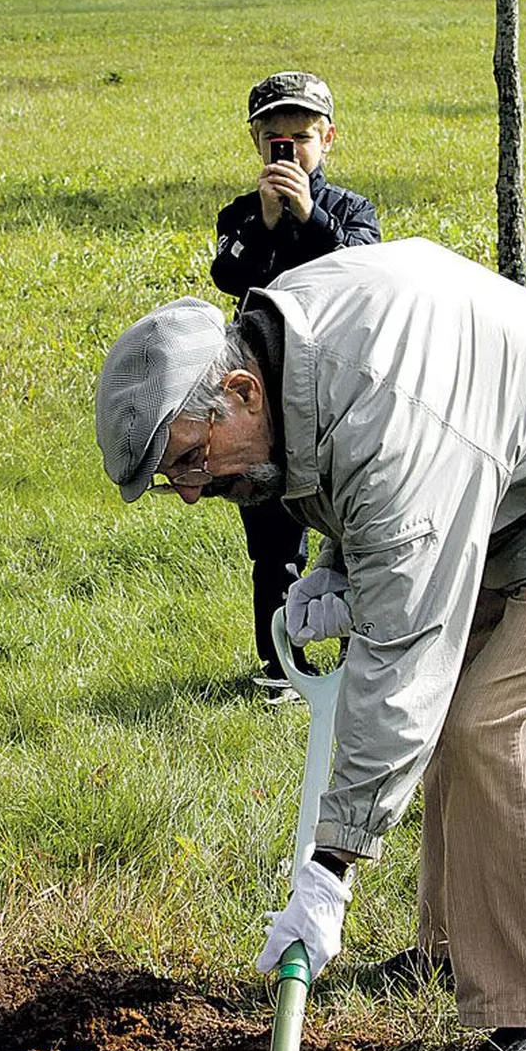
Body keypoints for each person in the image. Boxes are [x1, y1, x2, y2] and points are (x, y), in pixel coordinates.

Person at [95, 240, 526, 1051]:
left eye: (192, 461)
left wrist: (329, 870)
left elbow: (402, 659)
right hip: (505, 467)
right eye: (175, 480)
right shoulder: (282, 352)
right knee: (455, 710)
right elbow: (353, 476)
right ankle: (453, 951)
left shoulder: (387, 412)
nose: (194, 491)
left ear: (238, 390)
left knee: (493, 729)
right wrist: (338, 566)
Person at [210, 71, 380, 681]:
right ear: (256, 141)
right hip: (265, 407)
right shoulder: (240, 214)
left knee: (355, 531)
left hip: (337, 398)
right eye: (274, 139)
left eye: (301, 138)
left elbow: (360, 275)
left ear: (327, 138)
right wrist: (269, 222)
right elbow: (230, 275)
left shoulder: (350, 210)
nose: (289, 152)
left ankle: (358, 654)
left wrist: (308, 219)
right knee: (273, 540)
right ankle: (281, 663)